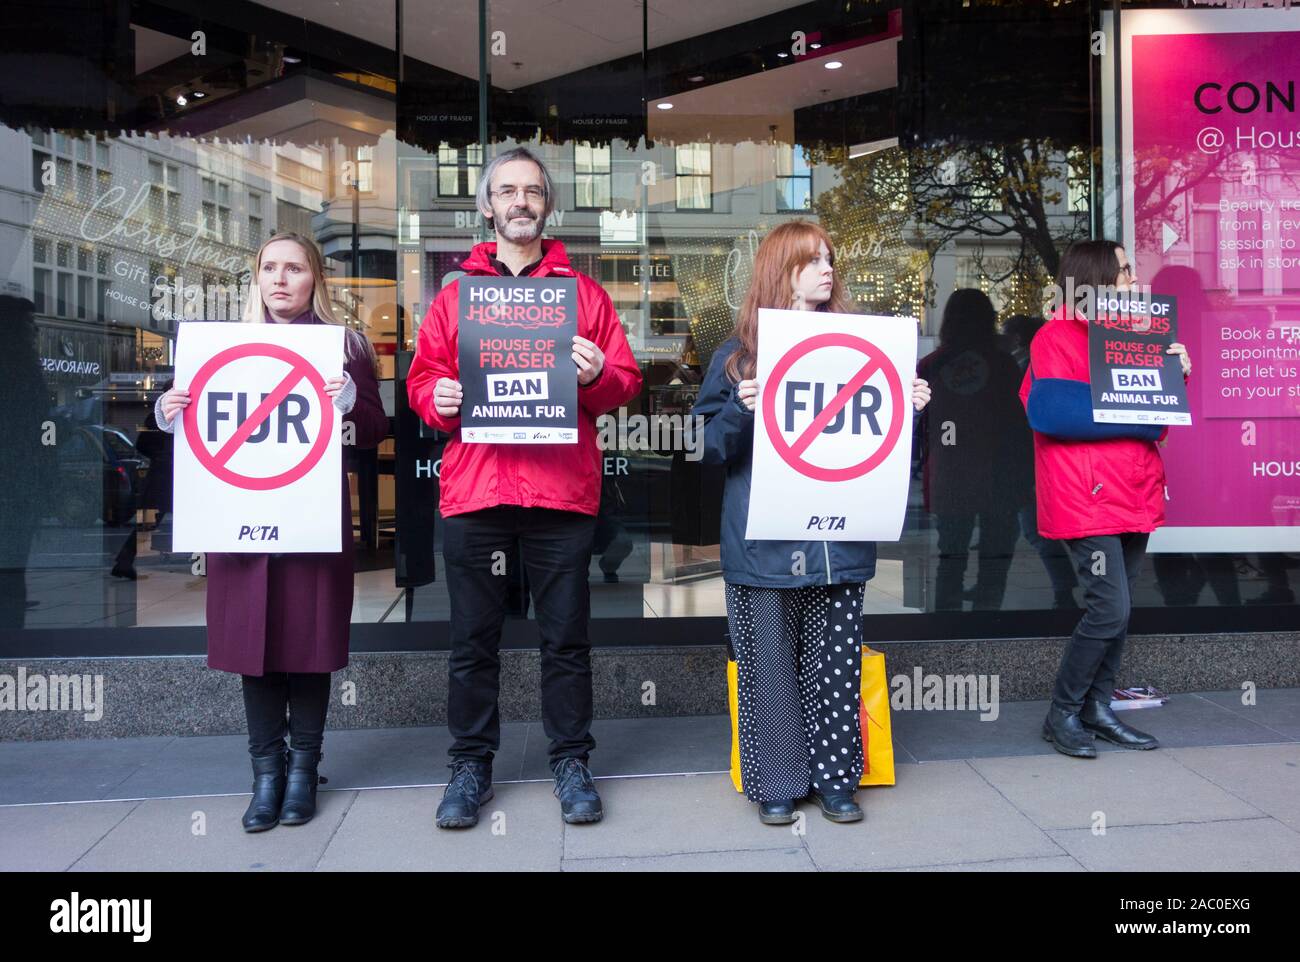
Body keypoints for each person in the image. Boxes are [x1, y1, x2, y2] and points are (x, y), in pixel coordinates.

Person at [406, 147, 642, 828]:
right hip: (477, 492)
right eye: (506, 191)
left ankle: (571, 762)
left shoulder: (586, 295)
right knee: (471, 641)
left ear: (547, 204)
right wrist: (439, 397)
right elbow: (422, 383)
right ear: (487, 205)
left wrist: (597, 372)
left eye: (532, 191)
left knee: (565, 640)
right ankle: (469, 765)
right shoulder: (455, 297)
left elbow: (624, 385)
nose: (520, 202)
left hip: (560, 495)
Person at [695, 220, 930, 825]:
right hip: (763, 542)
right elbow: (705, 449)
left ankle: (835, 779)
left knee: (836, 665)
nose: (827, 269)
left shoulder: (864, 349)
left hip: (837, 539)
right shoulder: (737, 357)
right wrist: (741, 411)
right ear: (782, 269)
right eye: (811, 260)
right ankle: (776, 781)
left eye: (829, 259)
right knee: (767, 666)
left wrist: (911, 412)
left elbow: (889, 452)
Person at [155, 232, 388, 829]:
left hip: (310, 518)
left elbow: (375, 428)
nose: (281, 279)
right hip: (239, 517)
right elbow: (196, 426)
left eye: (295, 268)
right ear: (256, 277)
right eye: (270, 268)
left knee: (306, 645)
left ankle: (303, 772)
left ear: (316, 279)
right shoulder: (219, 345)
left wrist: (351, 401)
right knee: (253, 648)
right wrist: (168, 412)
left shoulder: (345, 345)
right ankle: (266, 775)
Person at [1019, 239, 1191, 758]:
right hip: (1085, 496)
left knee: (1119, 608)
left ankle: (1096, 708)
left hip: (1133, 490)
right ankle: (1062, 712)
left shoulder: (1137, 336)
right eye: (1123, 269)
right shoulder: (1056, 337)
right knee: (1108, 608)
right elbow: (1052, 415)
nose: (1134, 277)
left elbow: (1158, 423)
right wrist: (1133, 408)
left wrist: (1174, 376)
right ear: (1094, 277)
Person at [917, 289, 1026, 611]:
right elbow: (1017, 423)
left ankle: (947, 624)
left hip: (951, 472)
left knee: (950, 558)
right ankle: (987, 620)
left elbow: (921, 427)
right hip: (999, 472)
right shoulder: (1004, 365)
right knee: (996, 558)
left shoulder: (931, 365)